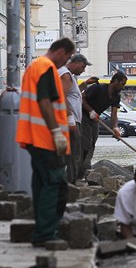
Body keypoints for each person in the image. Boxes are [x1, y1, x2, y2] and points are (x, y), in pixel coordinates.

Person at [16, 37, 75, 247]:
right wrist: (56, 132)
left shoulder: (35, 66)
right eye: (67, 58)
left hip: (35, 138)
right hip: (46, 140)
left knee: (42, 184)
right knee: (55, 185)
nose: (65, 62)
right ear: (61, 51)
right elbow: (44, 101)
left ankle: (42, 231)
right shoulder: (46, 67)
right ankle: (46, 234)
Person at [58, 54, 98, 184]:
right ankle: (69, 185)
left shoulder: (69, 75)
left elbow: (74, 94)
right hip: (71, 120)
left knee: (69, 153)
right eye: (83, 66)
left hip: (70, 120)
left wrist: (85, 84)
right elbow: (62, 97)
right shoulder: (65, 74)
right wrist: (70, 119)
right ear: (76, 62)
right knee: (74, 155)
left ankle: (66, 182)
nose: (84, 69)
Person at [80, 71, 128, 178]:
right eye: (122, 84)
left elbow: (114, 114)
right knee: (85, 144)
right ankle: (81, 171)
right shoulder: (98, 88)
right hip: (83, 116)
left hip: (94, 119)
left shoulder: (116, 96)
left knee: (92, 143)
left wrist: (115, 127)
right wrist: (91, 111)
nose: (123, 87)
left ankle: (85, 170)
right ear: (115, 81)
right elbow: (81, 98)